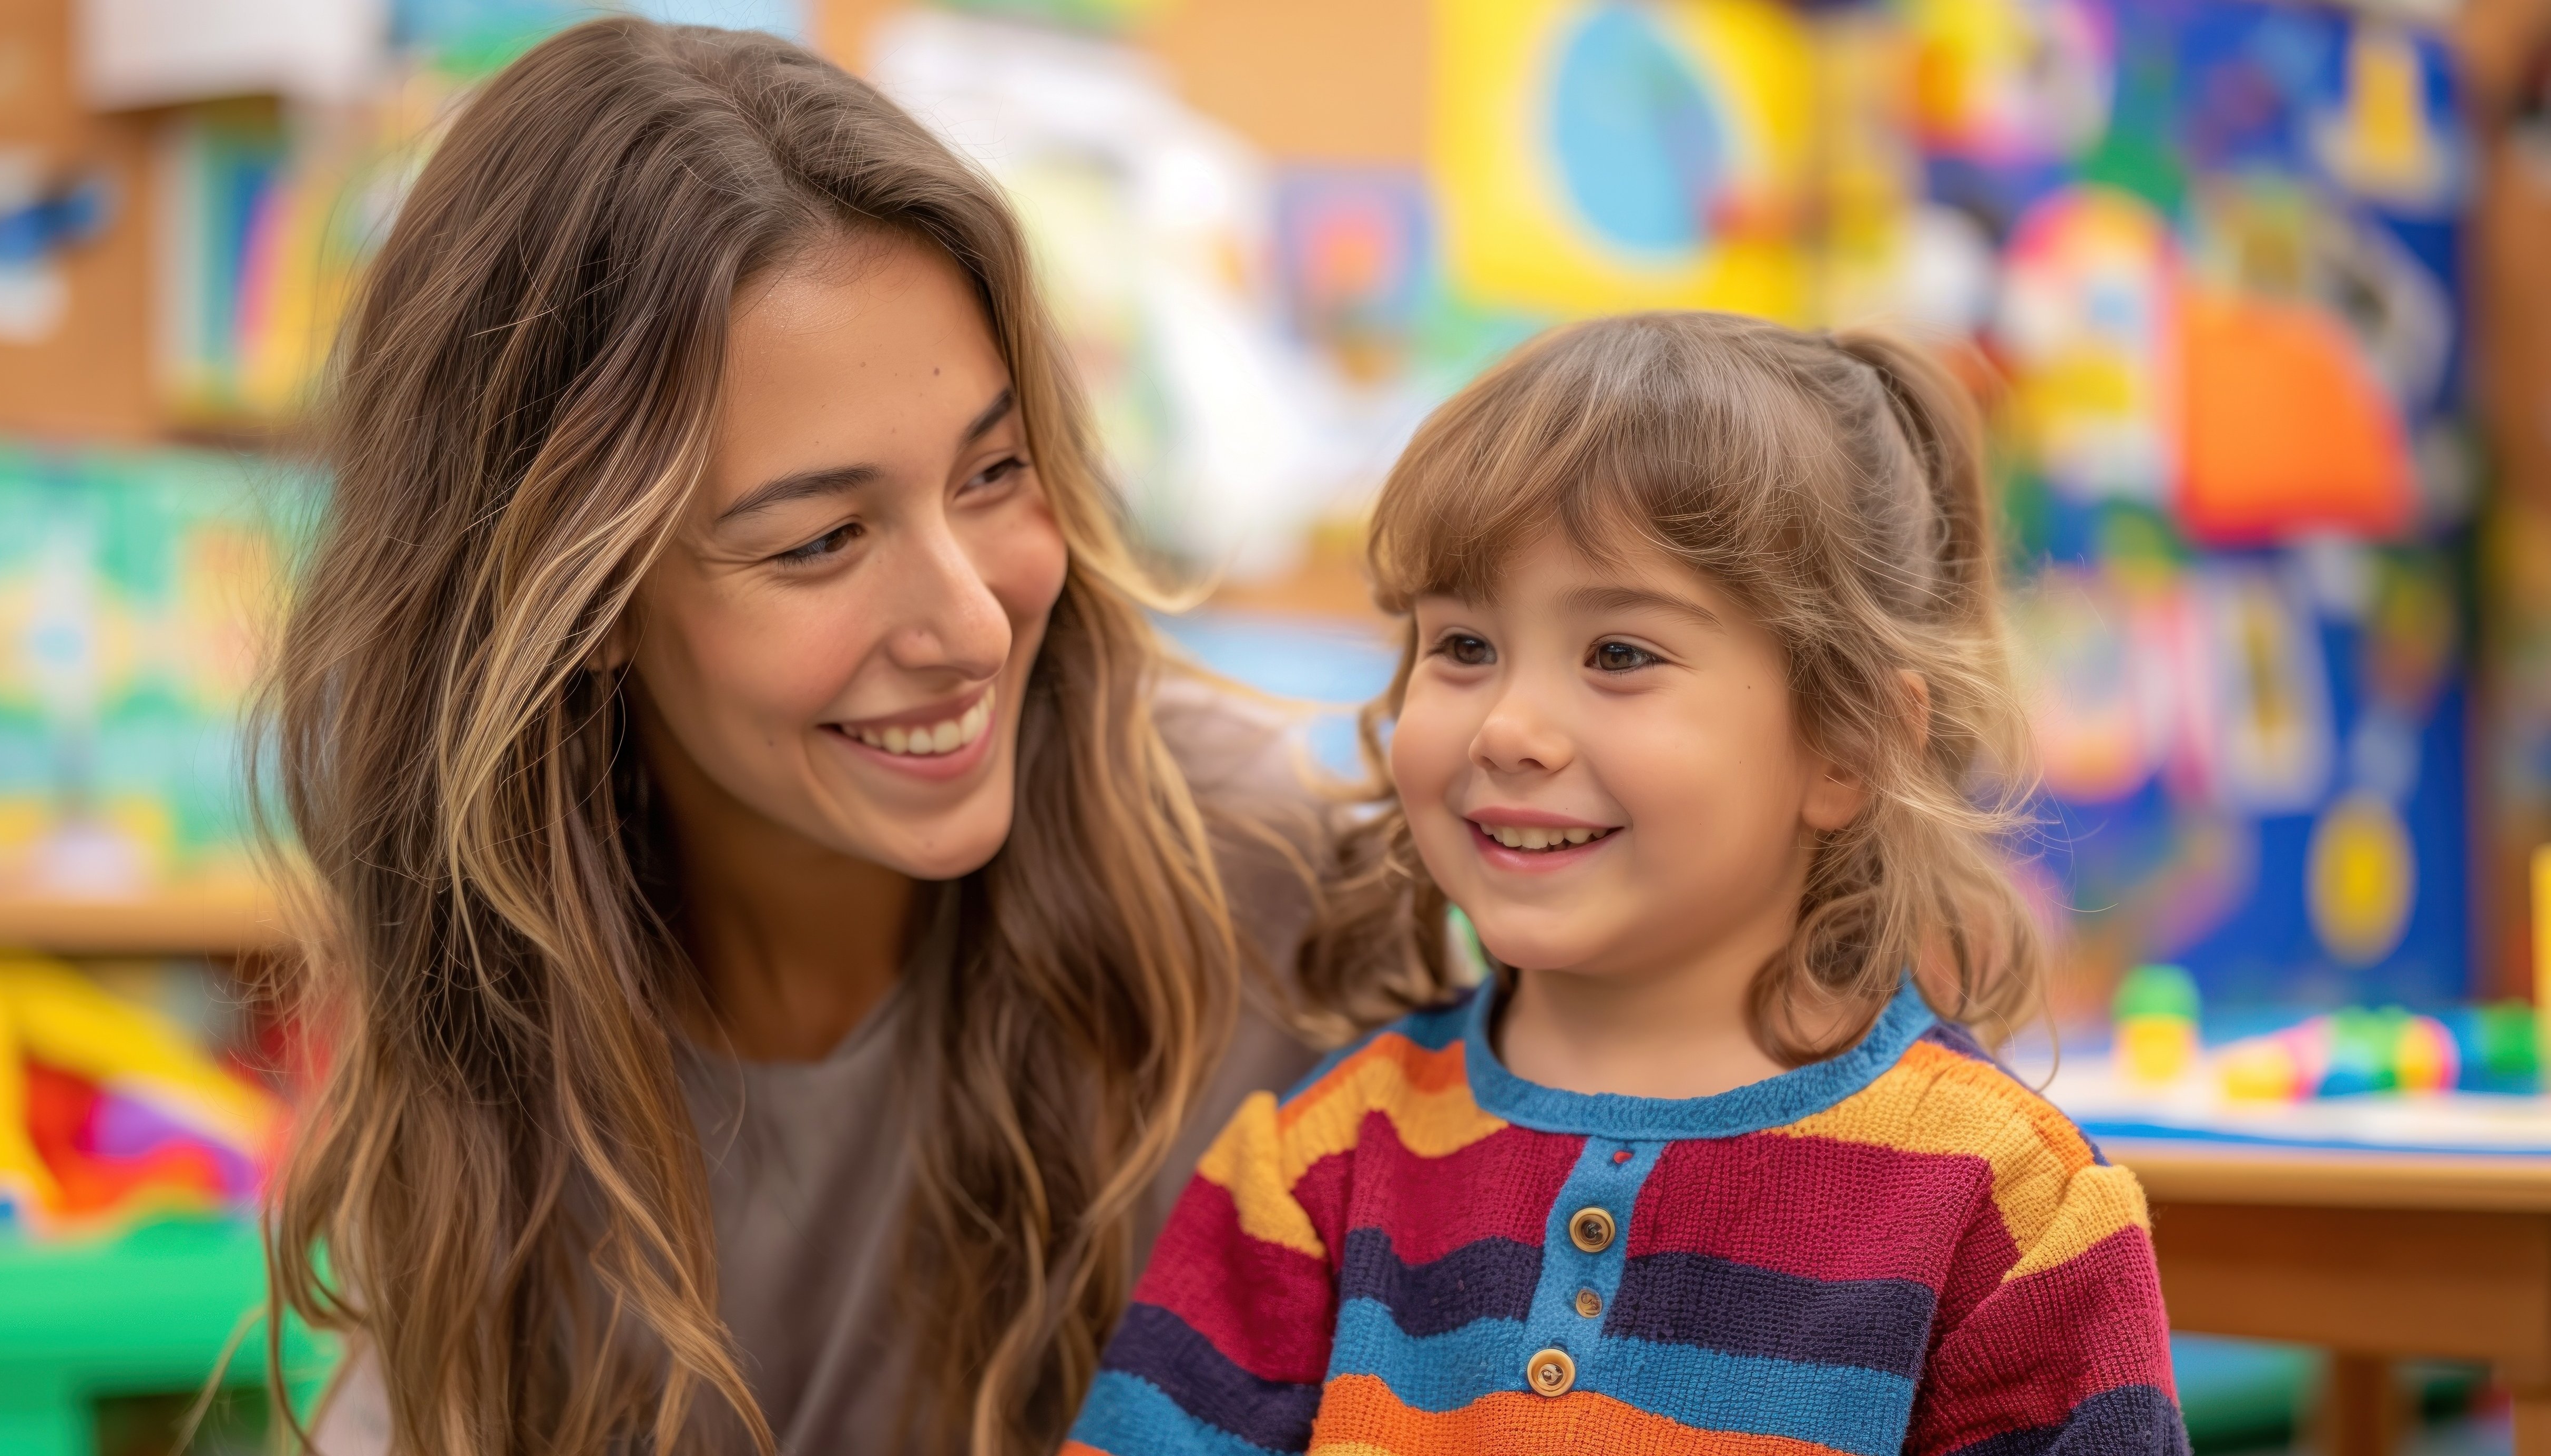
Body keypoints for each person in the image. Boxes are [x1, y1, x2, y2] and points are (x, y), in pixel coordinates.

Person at [255, 19, 1434, 1456]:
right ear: (578, 597)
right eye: (819, 540)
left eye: (995, 472)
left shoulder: (1277, 891)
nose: (972, 623)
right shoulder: (502, 1010)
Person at [1063, 313, 2187, 1456]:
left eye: (1616, 654)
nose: (1506, 727)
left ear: (1846, 745)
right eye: (1460, 645)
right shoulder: (1308, 1171)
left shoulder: (2011, 1213)